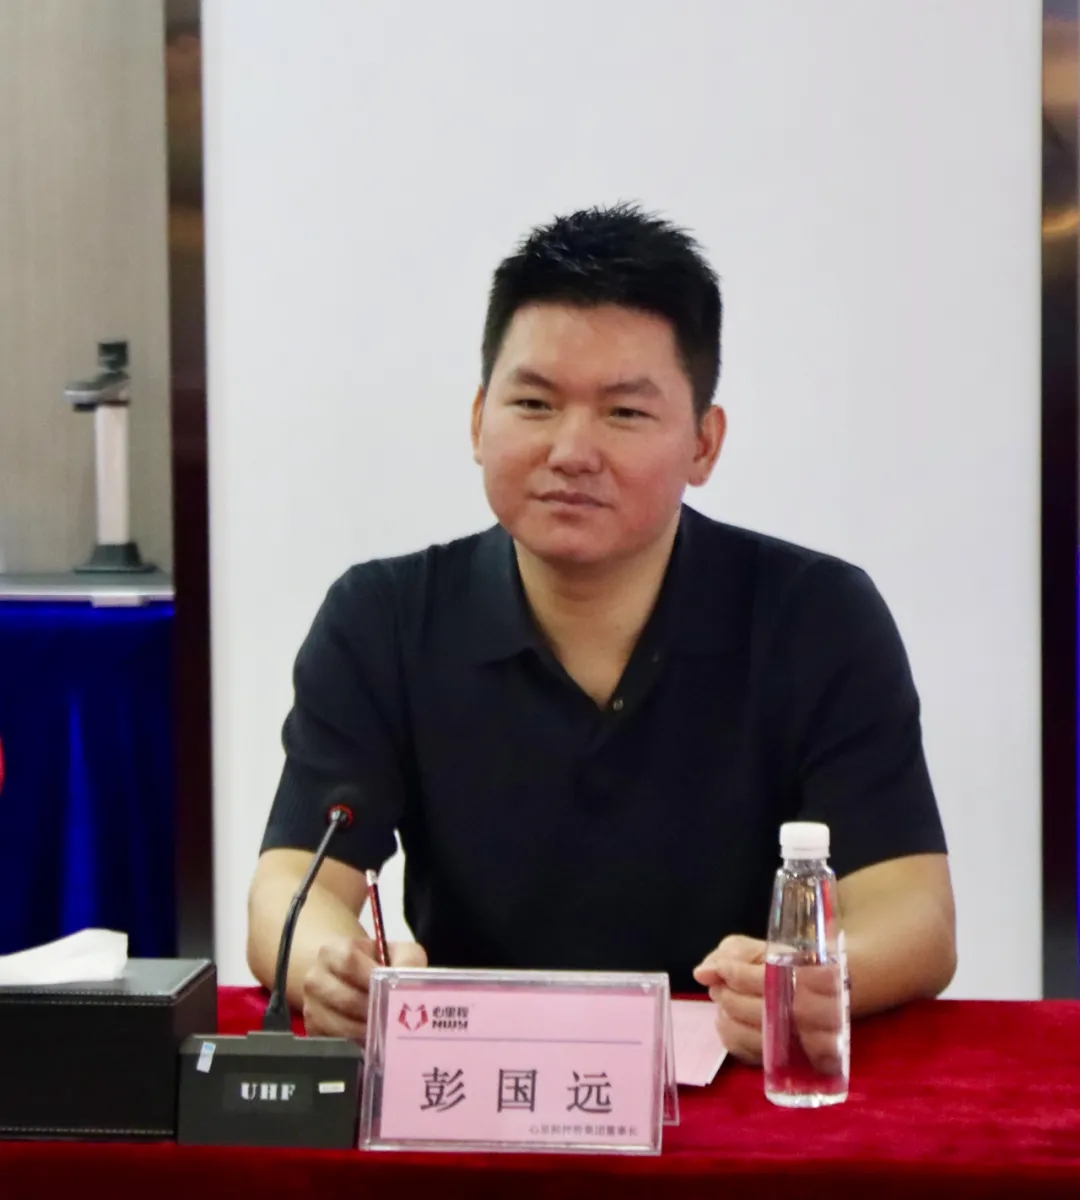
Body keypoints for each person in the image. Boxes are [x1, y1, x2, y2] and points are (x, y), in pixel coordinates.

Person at [247, 203, 956, 1065]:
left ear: (704, 444)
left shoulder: (816, 615)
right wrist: (331, 966)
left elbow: (913, 909)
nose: (571, 450)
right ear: (477, 421)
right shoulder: (384, 617)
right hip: (478, 1087)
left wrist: (821, 975)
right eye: (533, 403)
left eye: (623, 413)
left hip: (735, 1078)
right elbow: (291, 887)